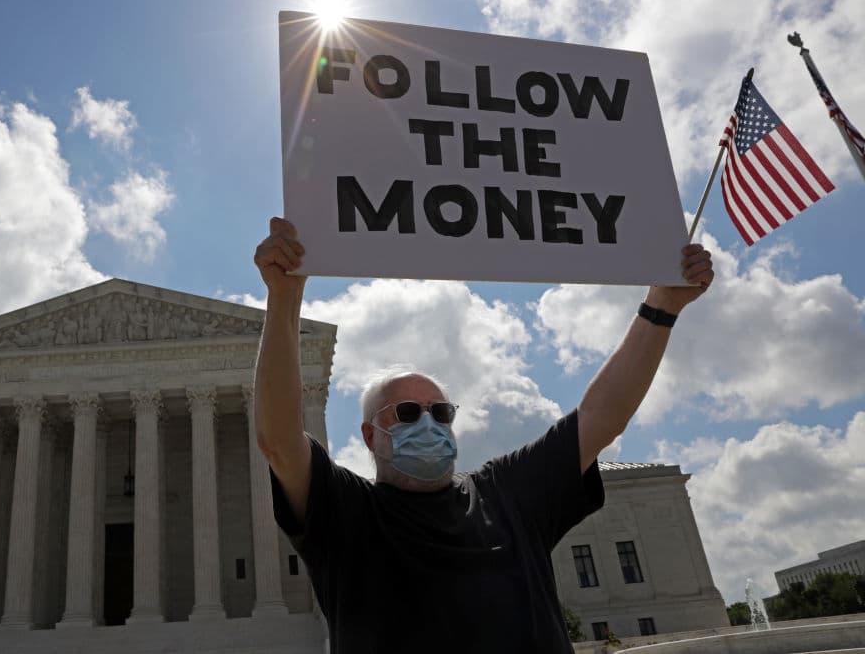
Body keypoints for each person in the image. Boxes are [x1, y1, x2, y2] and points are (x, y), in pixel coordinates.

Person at [253, 217, 715, 653]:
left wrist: (662, 305)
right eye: (408, 412)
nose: (429, 424)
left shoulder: (504, 493)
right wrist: (285, 297)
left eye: (441, 412)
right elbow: (280, 440)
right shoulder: (347, 514)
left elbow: (600, 418)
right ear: (370, 437)